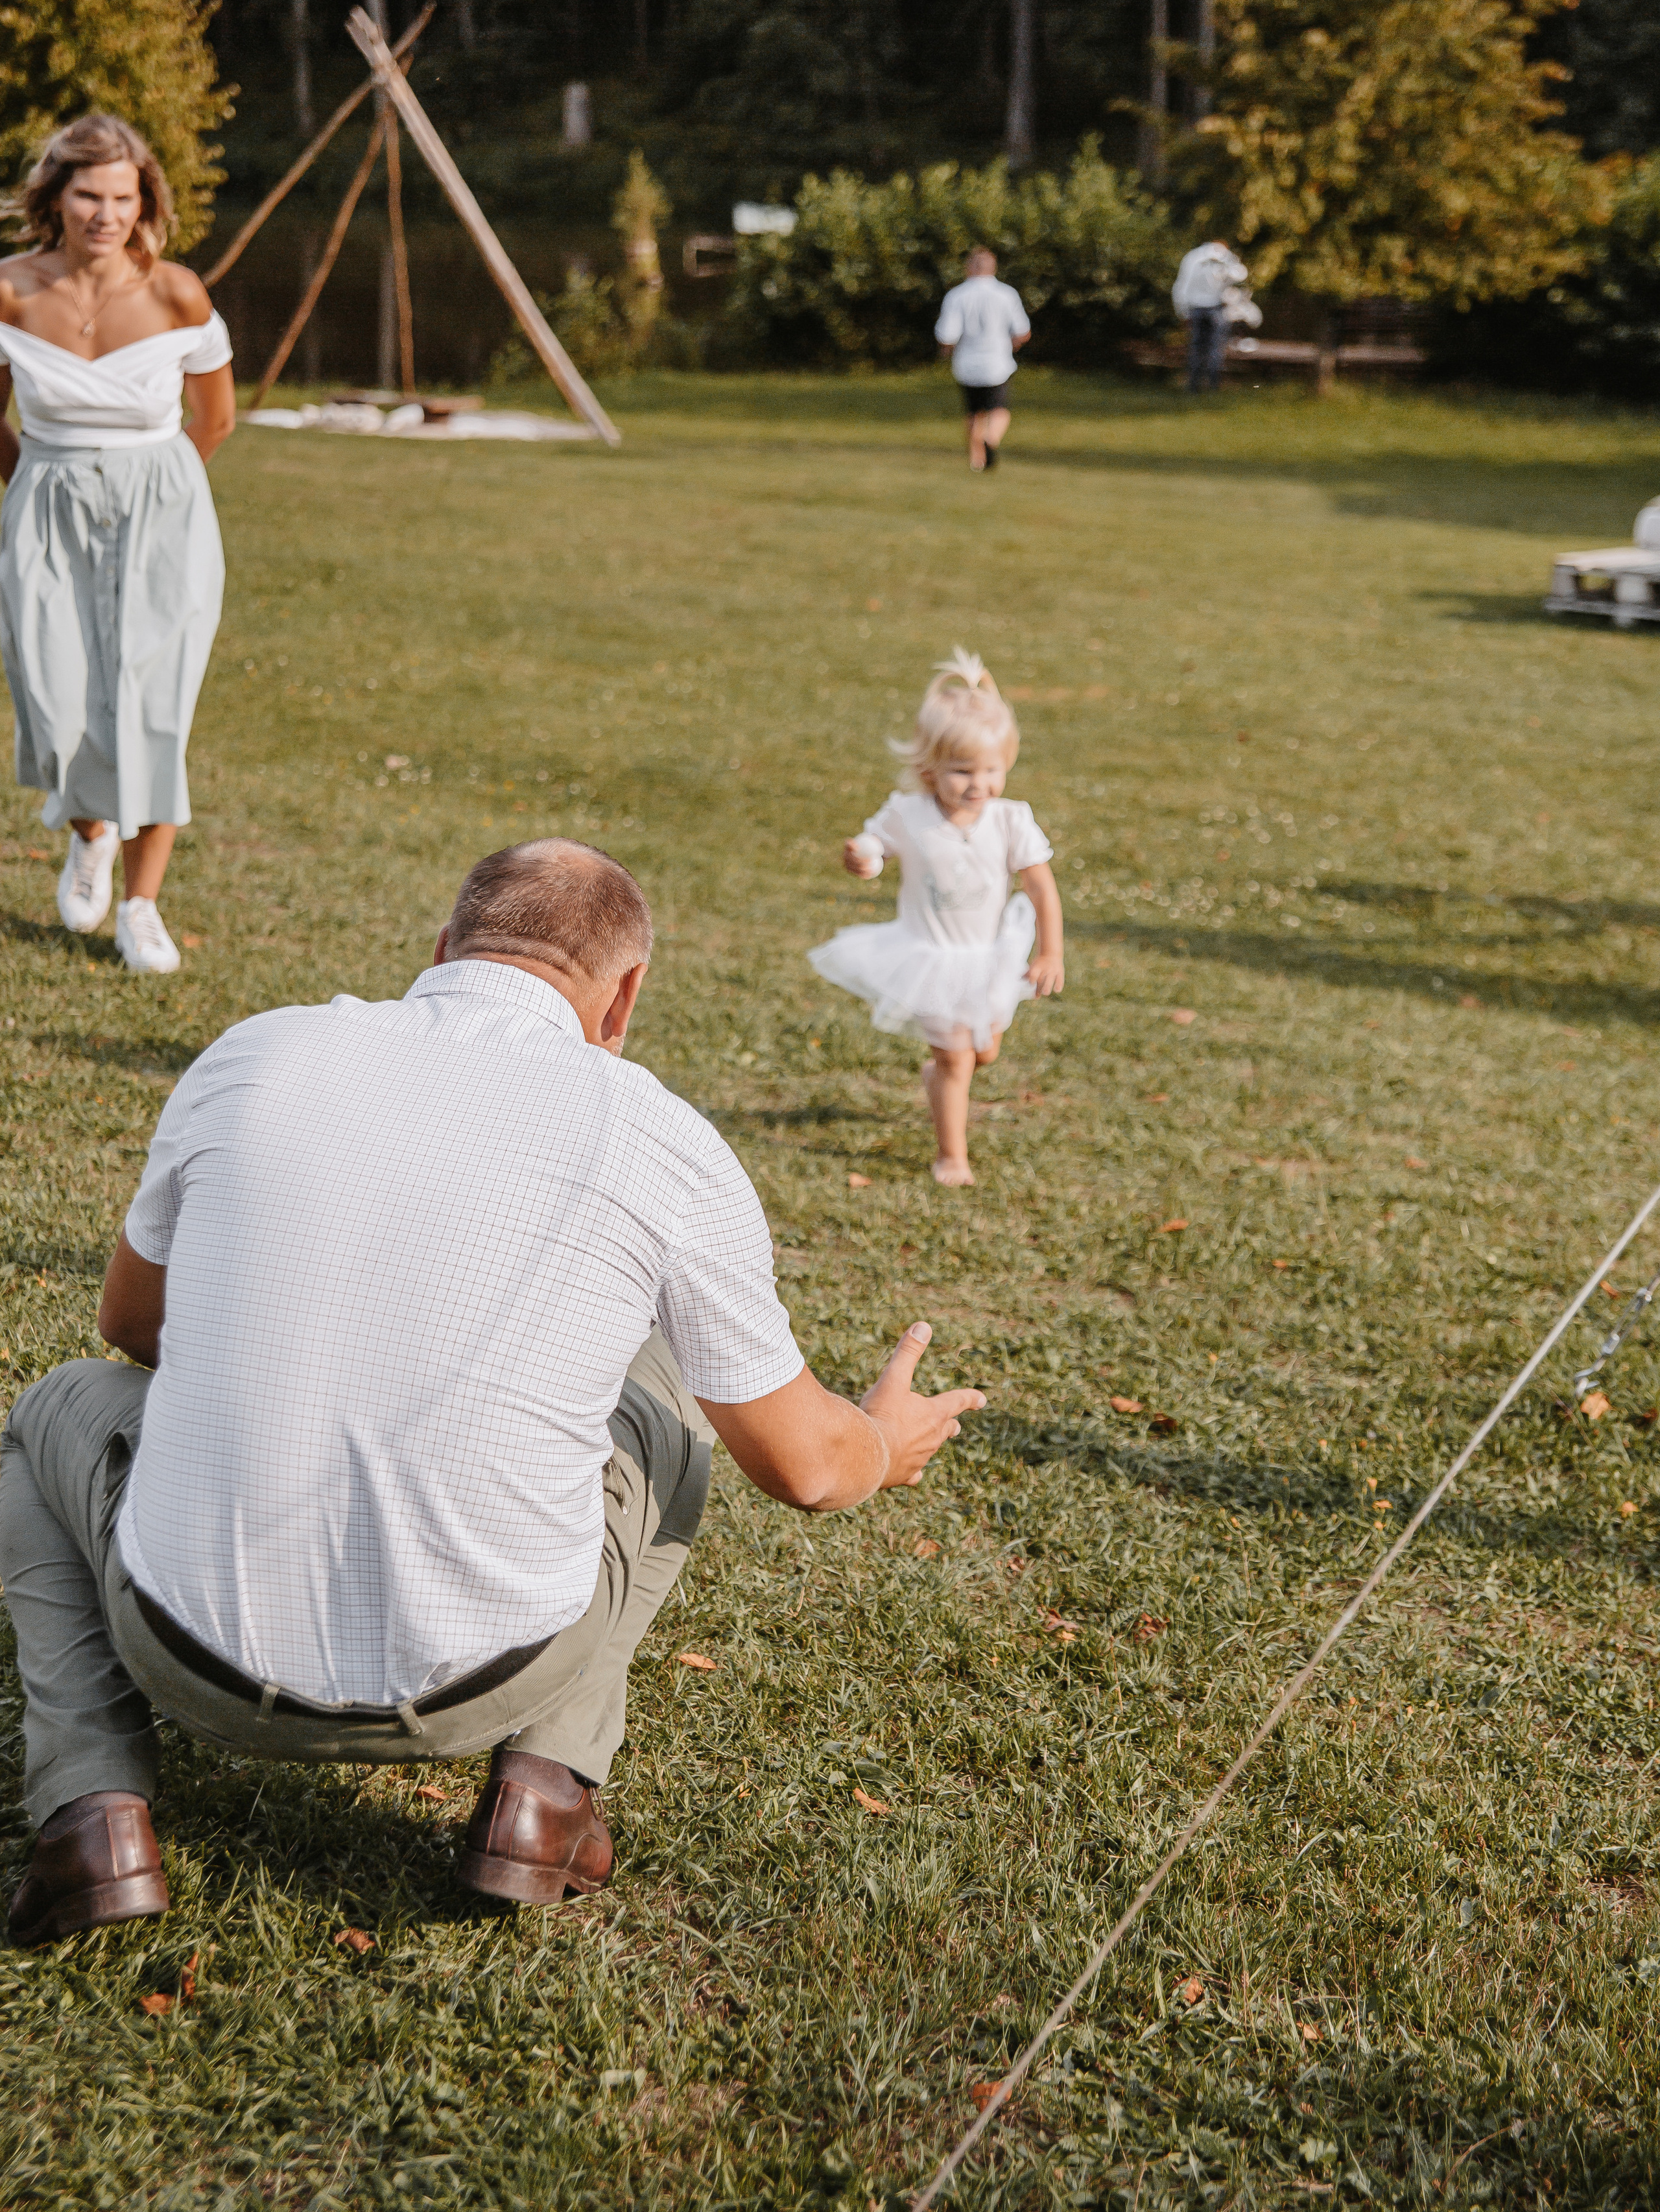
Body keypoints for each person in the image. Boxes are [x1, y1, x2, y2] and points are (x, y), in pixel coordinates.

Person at [0, 838, 986, 1947]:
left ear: (441, 950)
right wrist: (883, 1440)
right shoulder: (658, 1134)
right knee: (669, 1400)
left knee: (49, 1416)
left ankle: (91, 1810)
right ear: (624, 999)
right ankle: (546, 1789)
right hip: (495, 1676)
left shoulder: (258, 1053)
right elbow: (809, 1467)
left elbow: (129, 1328)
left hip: (188, 1657)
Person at [0, 117, 236, 974]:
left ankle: (142, 904)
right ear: (56, 198)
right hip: (46, 504)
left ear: (145, 205)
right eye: (88, 195)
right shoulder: (11, 292)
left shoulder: (178, 294)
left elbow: (214, 419)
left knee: (154, 706)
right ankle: (90, 832)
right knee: (55, 700)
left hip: (162, 511)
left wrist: (162, 489)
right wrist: (34, 482)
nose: (105, 214)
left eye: (122, 198)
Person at [807, 651, 1063, 1186]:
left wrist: (1050, 952)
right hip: (930, 957)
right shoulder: (910, 814)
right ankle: (952, 1156)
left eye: (991, 770)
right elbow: (875, 848)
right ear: (930, 769)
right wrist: (863, 859)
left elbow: (1040, 884)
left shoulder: (1011, 820)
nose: (978, 784)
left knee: (984, 1050)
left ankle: (945, 1072)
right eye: (962, 772)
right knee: (958, 1061)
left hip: (990, 956)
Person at [934, 247, 1031, 472]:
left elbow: (947, 335)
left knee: (973, 412)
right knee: (998, 409)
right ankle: (991, 438)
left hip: (967, 363)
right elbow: (1023, 331)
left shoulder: (957, 295)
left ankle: (977, 460)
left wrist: (945, 352)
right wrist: (1013, 345)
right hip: (997, 362)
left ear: (969, 267)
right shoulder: (1007, 294)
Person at [1172, 238, 1249, 395]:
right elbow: (1241, 275)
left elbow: (1182, 286)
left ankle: (1194, 385)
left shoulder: (1192, 257)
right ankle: (1213, 385)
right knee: (1215, 347)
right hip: (1215, 309)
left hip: (1195, 309)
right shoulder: (1225, 257)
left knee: (1196, 348)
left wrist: (1181, 310)